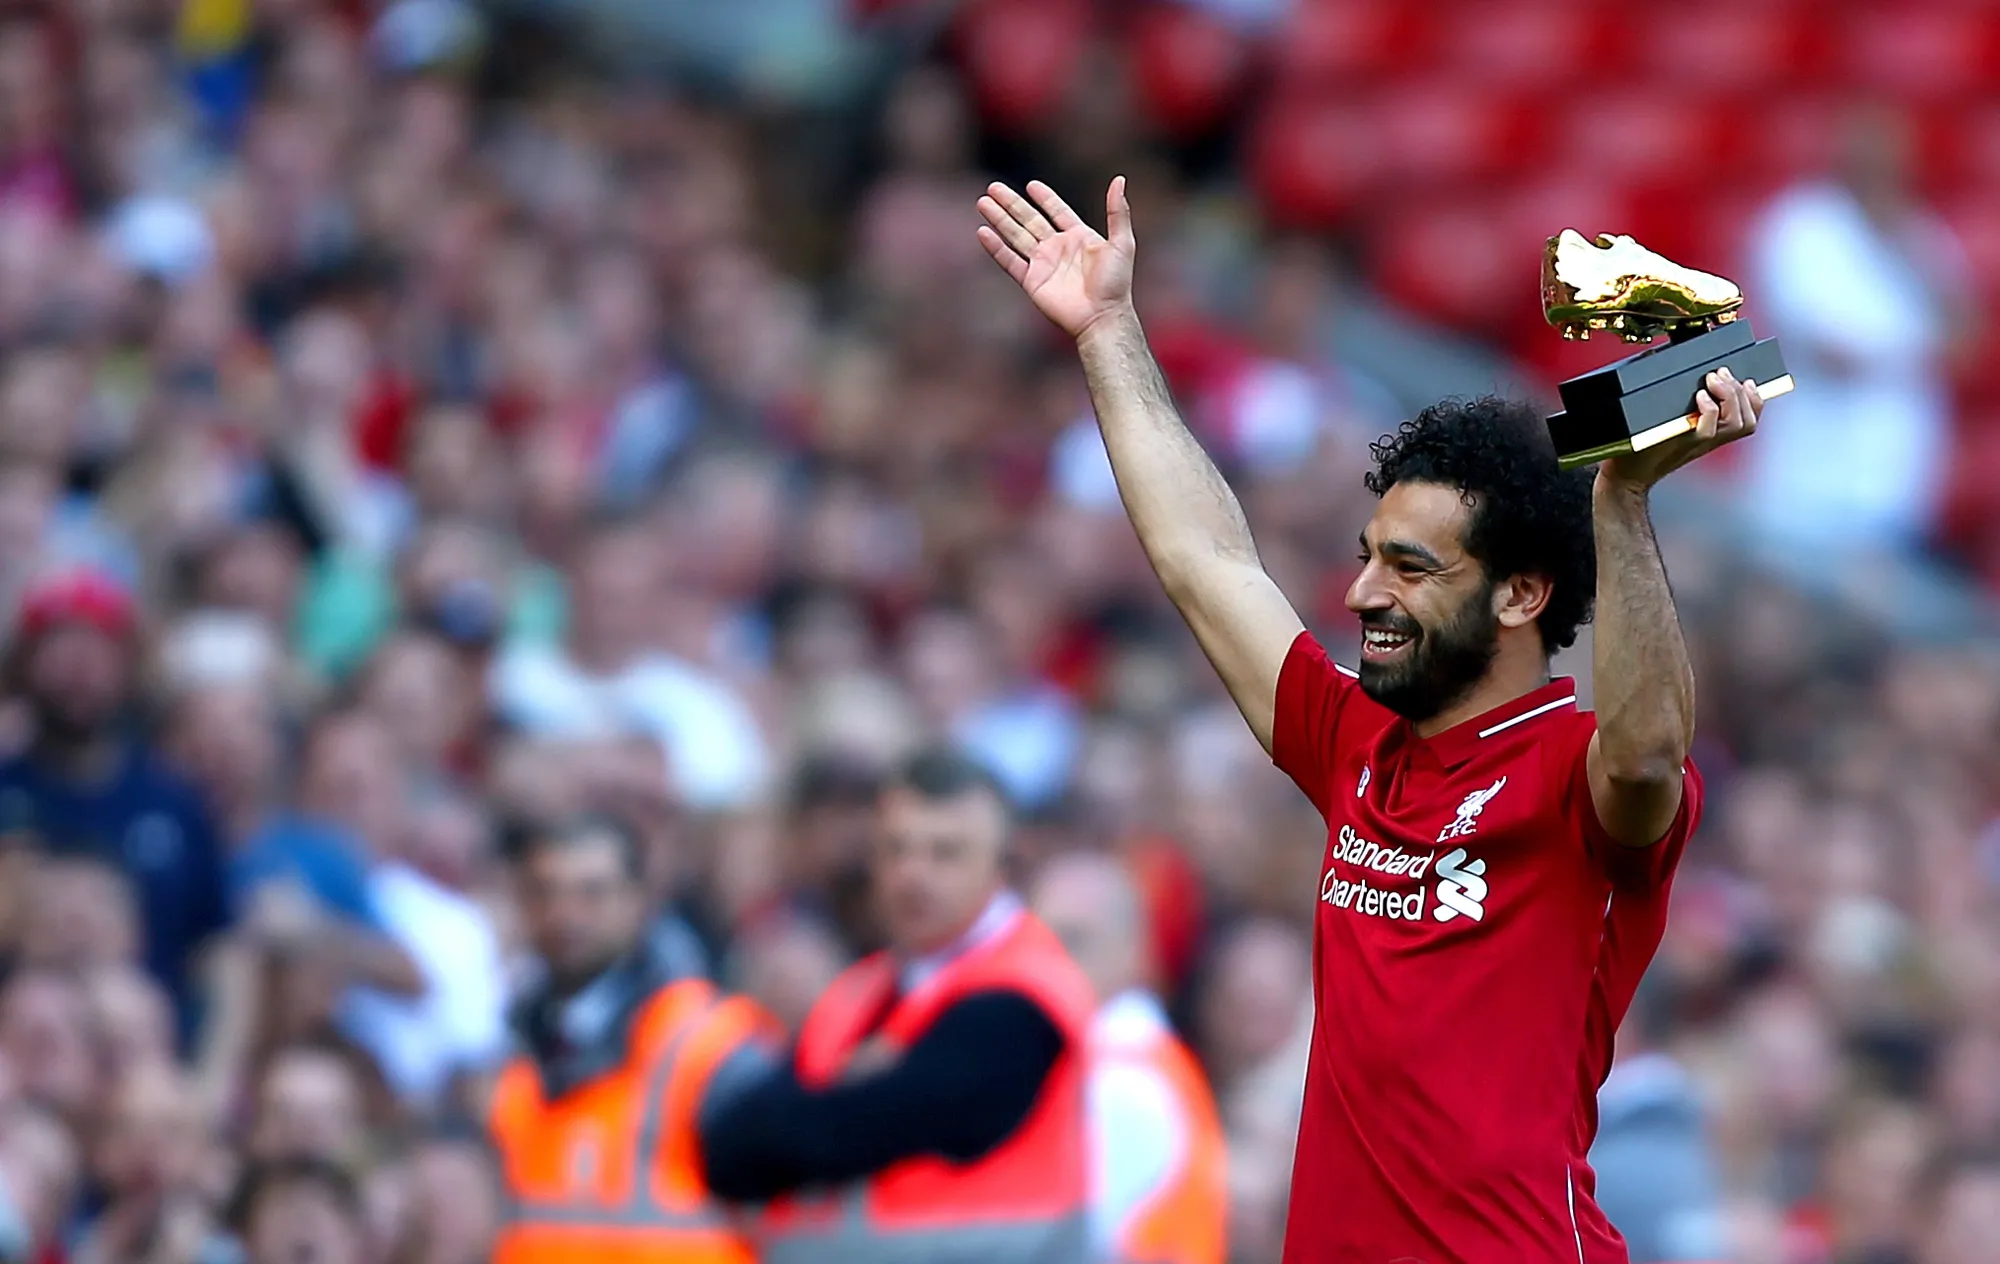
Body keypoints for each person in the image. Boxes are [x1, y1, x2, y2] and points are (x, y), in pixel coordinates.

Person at [978, 177, 1764, 1260]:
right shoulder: (1355, 745)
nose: (1359, 596)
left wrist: (1619, 504)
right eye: (1364, 560)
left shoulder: (1573, 776)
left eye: (1408, 567)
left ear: (1520, 595)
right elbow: (1204, 560)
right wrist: (1109, 332)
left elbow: (1644, 753)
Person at [700, 746, 1097, 1263]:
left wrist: (845, 1104)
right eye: (896, 849)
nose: (913, 873)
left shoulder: (1024, 996)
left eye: (945, 853)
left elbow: (871, 1126)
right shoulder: (856, 992)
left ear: (1006, 864)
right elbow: (731, 1146)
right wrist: (852, 1105)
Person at [485, 817, 770, 1264]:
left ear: (638, 901)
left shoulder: (706, 1042)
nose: (565, 914)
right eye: (545, 892)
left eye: (592, 893)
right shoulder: (513, 1046)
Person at [1032, 850, 1227, 1264]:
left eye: (1073, 939)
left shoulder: (1122, 1081)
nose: (1049, 960)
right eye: (1037, 941)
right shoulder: (1138, 1059)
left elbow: (1063, 1244)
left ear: (1134, 950)